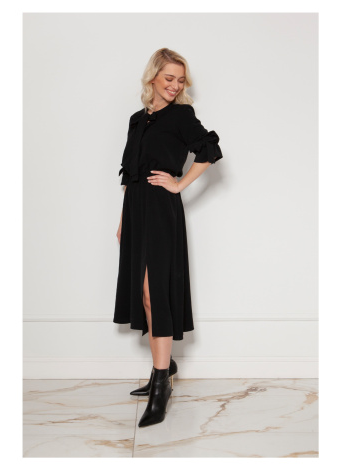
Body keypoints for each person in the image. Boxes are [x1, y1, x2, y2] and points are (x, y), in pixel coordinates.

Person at [113, 48, 224, 427]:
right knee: (144, 293)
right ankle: (164, 366)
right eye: (169, 78)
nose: (175, 86)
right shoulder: (137, 119)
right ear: (153, 78)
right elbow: (129, 173)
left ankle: (162, 385)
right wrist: (123, 219)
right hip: (136, 209)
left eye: (180, 80)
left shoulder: (182, 116)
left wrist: (178, 184)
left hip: (161, 209)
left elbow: (209, 150)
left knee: (153, 292)